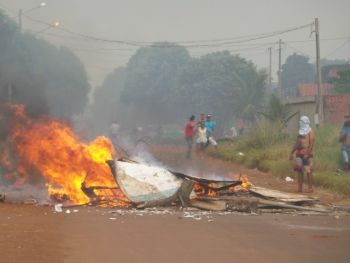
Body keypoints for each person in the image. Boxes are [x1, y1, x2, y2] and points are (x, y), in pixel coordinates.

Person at [289, 116, 315, 193]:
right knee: (300, 171)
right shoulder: (300, 132)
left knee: (308, 170)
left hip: (307, 154)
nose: (300, 123)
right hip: (299, 153)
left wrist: (307, 153)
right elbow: (296, 143)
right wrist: (291, 152)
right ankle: (300, 188)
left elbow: (311, 144)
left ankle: (310, 188)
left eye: (301, 121)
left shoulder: (310, 132)